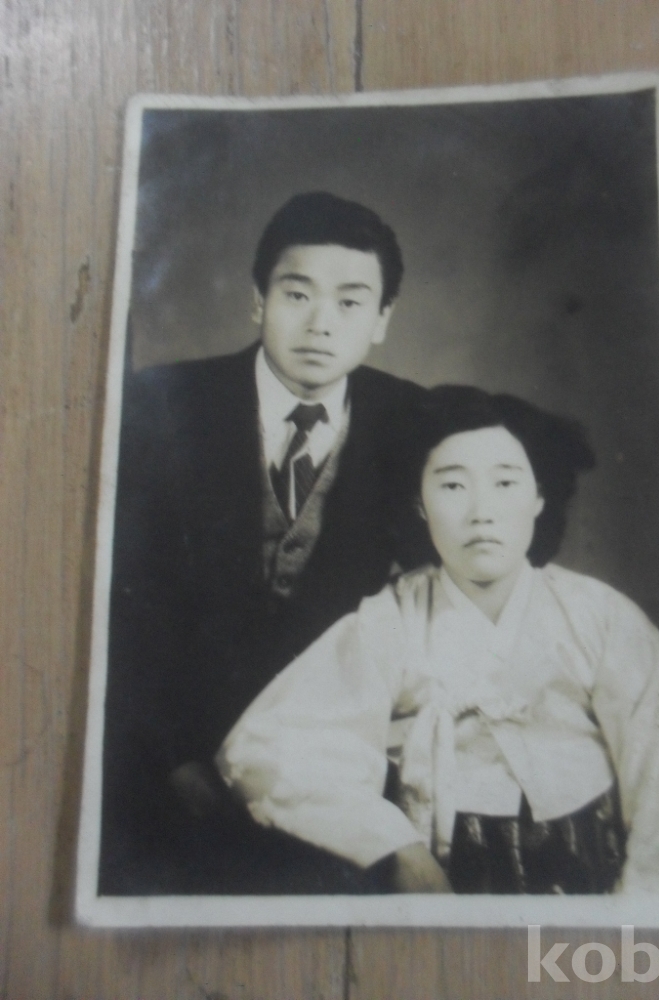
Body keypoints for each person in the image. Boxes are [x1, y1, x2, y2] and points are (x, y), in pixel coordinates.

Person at [218, 386, 659, 895]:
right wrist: (394, 847)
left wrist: (641, 905)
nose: (482, 512)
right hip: (443, 869)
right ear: (419, 502)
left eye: (505, 483)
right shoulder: (390, 620)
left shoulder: (600, 617)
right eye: (453, 485)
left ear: (540, 496)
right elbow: (266, 748)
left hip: (593, 865)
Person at [99, 192, 429, 895]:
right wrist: (173, 756)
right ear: (257, 300)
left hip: (327, 781)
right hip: (161, 769)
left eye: (350, 302)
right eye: (296, 294)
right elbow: (116, 603)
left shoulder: (412, 420)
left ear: (382, 320)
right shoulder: (159, 404)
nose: (320, 323)